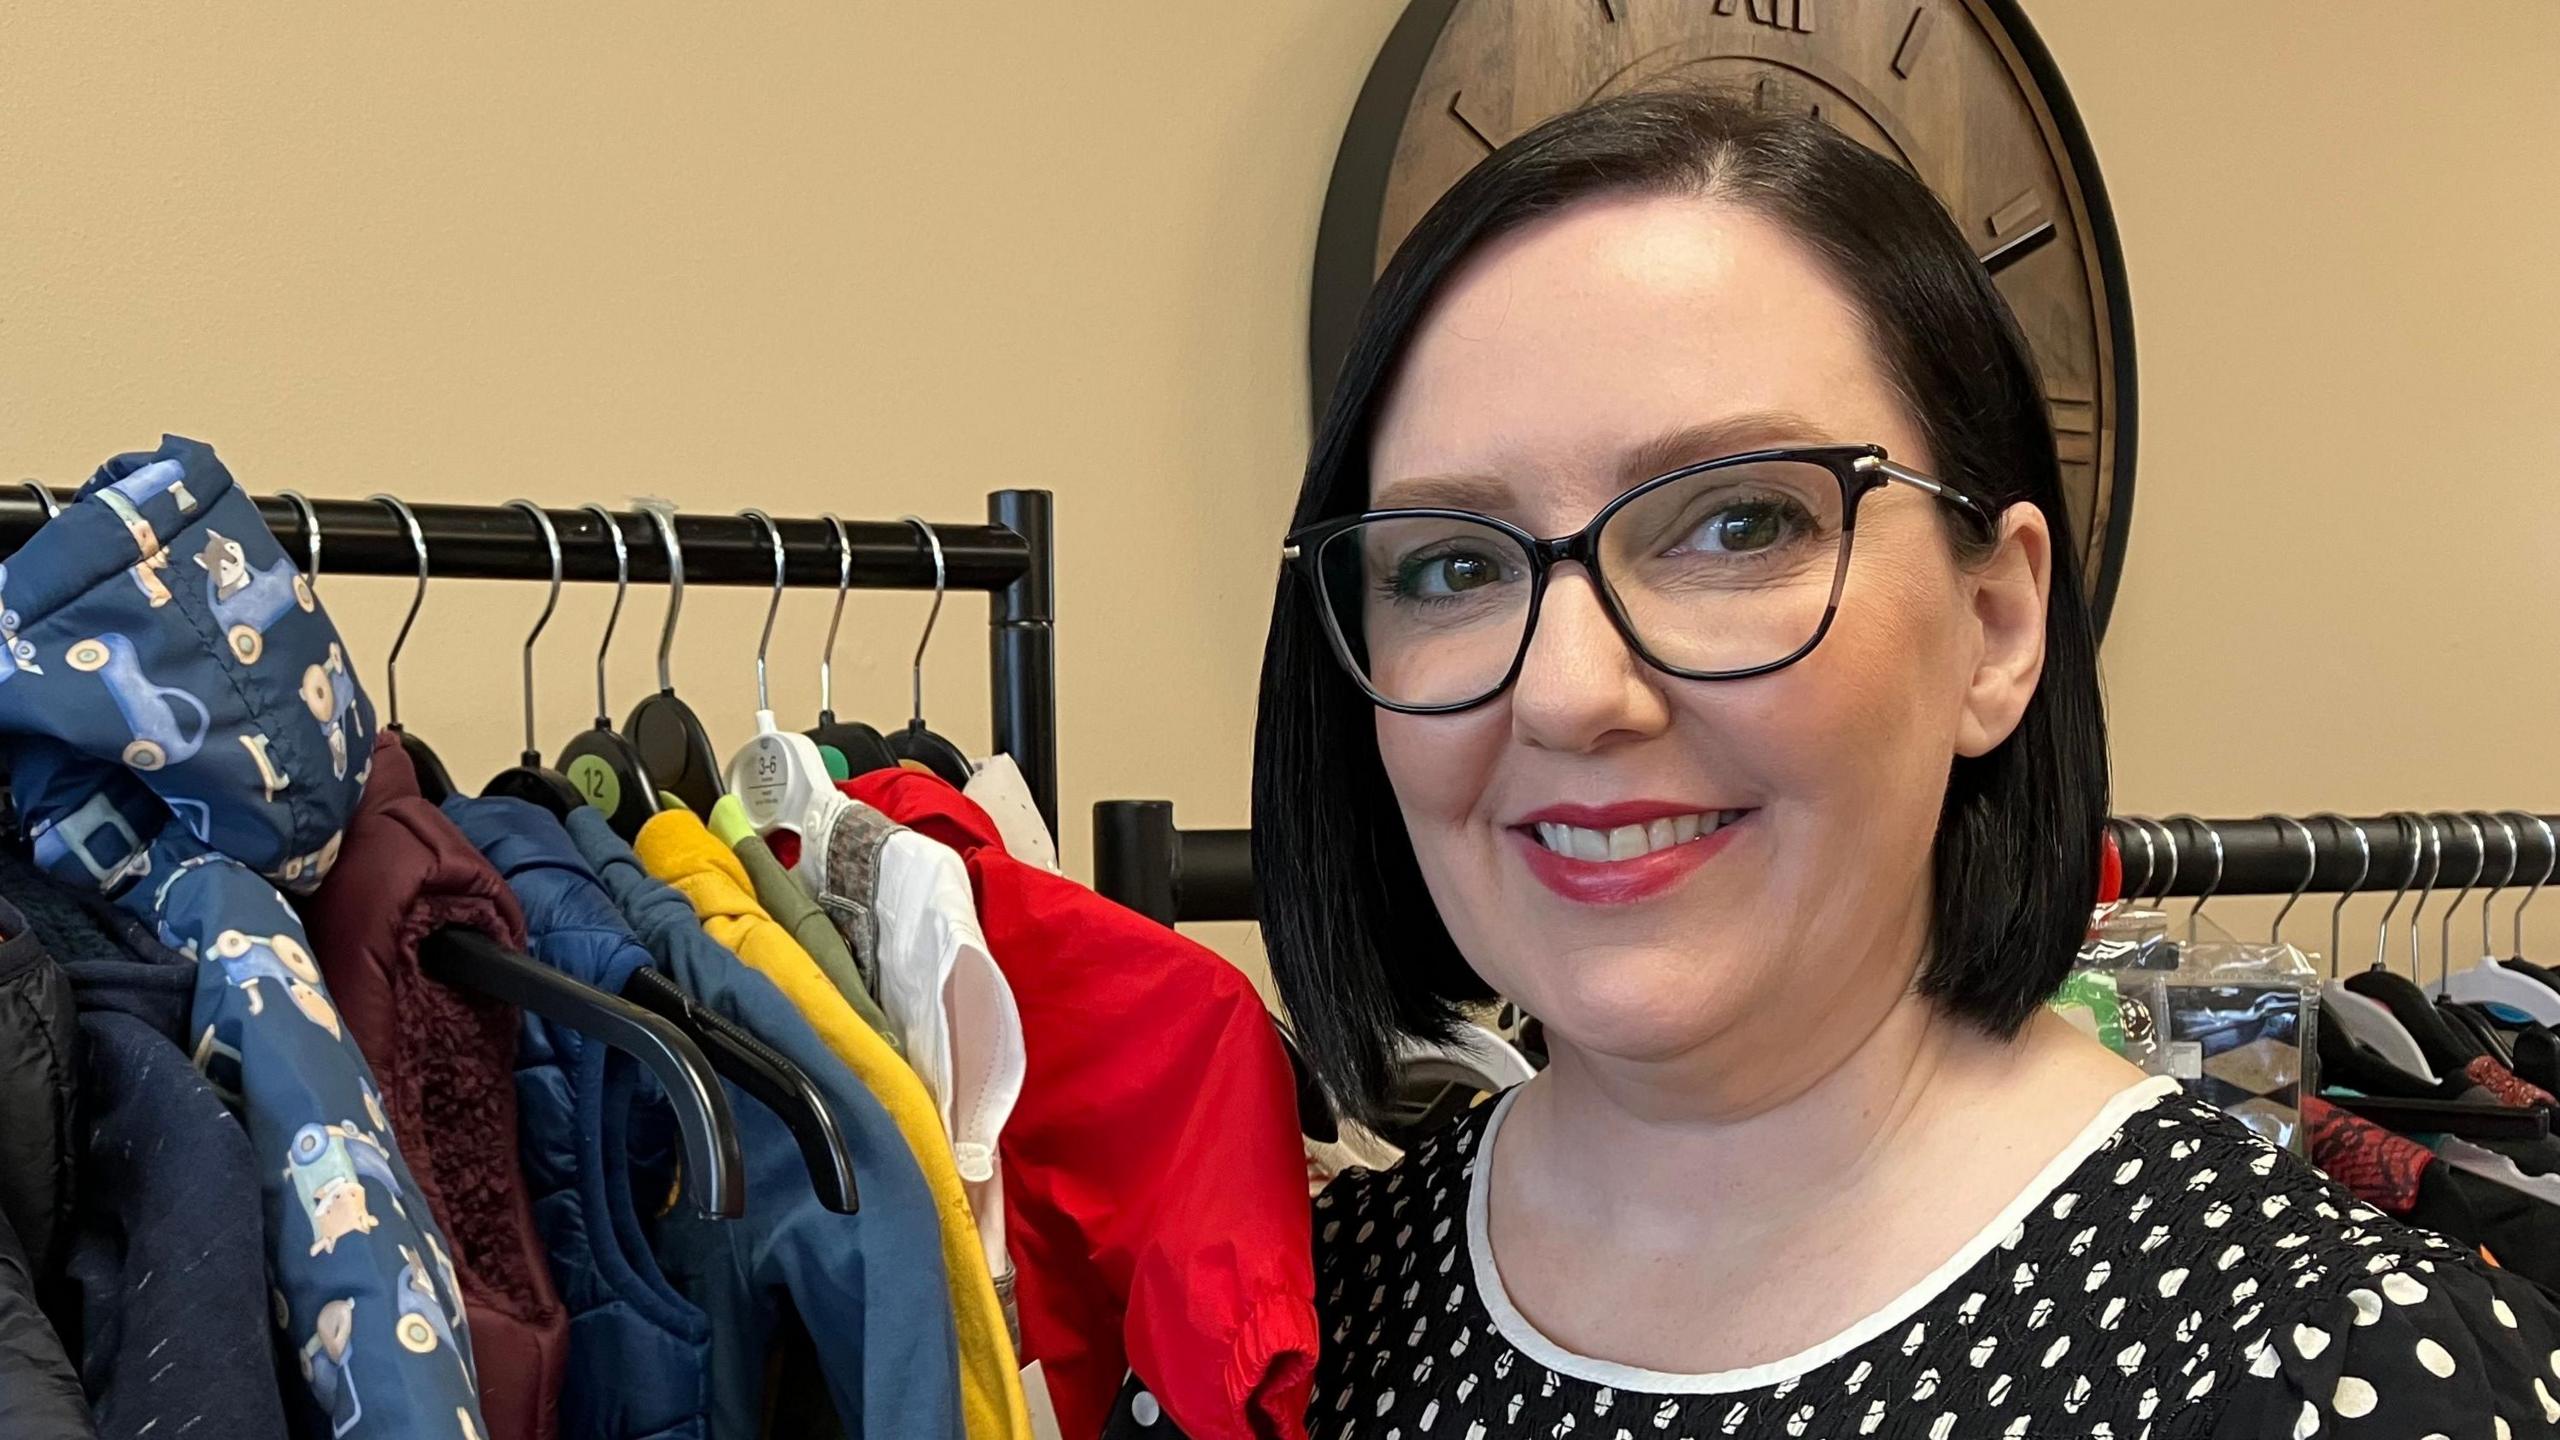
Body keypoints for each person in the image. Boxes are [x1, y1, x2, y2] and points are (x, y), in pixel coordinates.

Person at [1105, 88, 2560, 1438]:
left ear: (1995, 625)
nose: (1565, 691)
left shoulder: (2334, 1371)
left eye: (1736, 525)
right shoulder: (1277, 1344)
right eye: (1446, 565)